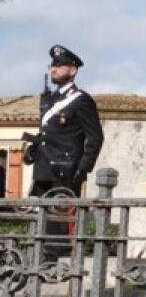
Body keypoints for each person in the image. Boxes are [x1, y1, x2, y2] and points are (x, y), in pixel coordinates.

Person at [25, 45, 104, 259]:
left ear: (73, 70)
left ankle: (60, 271)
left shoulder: (81, 100)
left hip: (65, 173)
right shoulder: (49, 100)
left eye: (60, 65)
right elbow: (48, 134)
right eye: (53, 65)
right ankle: (42, 266)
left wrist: (82, 169)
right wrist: (33, 150)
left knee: (61, 230)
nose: (54, 69)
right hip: (43, 170)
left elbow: (95, 137)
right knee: (42, 226)